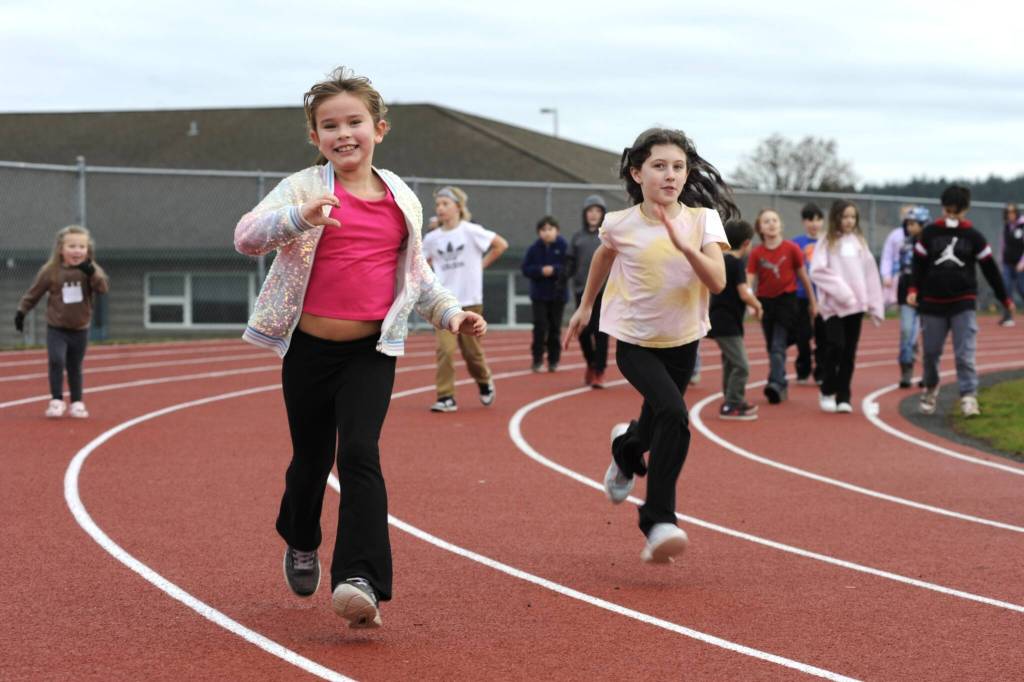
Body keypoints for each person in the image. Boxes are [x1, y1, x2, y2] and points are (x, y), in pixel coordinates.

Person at [233, 67, 486, 629]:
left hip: (371, 352)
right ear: (315, 137)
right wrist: (299, 217)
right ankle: (301, 538)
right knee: (310, 462)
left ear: (380, 128)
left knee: (360, 455)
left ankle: (360, 578)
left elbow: (416, 274)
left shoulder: (402, 199)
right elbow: (247, 236)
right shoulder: (303, 188)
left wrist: (451, 313)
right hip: (308, 350)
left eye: (354, 122)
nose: (343, 133)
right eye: (329, 126)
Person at [564, 127, 734, 564]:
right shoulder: (620, 224)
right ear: (637, 173)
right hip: (636, 340)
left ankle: (625, 449)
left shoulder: (701, 220)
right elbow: (604, 255)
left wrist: (686, 248)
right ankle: (659, 519)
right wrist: (585, 307)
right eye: (659, 166)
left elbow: (717, 280)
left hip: (683, 339)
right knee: (675, 416)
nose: (670, 175)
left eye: (678, 166)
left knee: (657, 420)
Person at [909, 184, 1013, 417]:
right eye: (948, 210)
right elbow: (918, 264)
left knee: (965, 352)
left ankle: (968, 396)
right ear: (942, 208)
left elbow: (990, 269)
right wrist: (914, 288)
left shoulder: (973, 236)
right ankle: (930, 388)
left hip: (962, 301)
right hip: (933, 303)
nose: (951, 216)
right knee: (931, 352)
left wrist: (1004, 298)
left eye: (956, 211)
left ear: (965, 210)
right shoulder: (929, 234)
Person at [422, 186, 507, 412]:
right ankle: (446, 396)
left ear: (458, 207)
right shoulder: (432, 238)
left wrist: (480, 266)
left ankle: (484, 379)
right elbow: (420, 264)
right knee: (445, 349)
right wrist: (431, 278)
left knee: (472, 353)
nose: (440, 208)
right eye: (438, 204)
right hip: (443, 303)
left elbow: (501, 244)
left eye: (445, 204)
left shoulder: (471, 231)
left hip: (470, 300)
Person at [15, 224, 109, 419]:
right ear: (61, 249)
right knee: (57, 361)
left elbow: (102, 288)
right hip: (57, 328)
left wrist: (92, 273)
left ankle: (76, 402)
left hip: (80, 328)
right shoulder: (51, 271)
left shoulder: (90, 270)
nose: (77, 251)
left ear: (88, 250)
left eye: (81, 247)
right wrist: (21, 311)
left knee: (74, 366)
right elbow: (34, 293)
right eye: (72, 246)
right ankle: (56, 400)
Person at [809, 201, 885, 413]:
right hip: (833, 306)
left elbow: (870, 273)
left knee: (849, 353)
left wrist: (874, 304)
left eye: (852, 217)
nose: (849, 221)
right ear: (836, 218)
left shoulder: (860, 242)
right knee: (836, 346)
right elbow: (818, 271)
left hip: (857, 307)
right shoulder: (826, 242)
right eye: (845, 217)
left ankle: (844, 396)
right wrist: (843, 293)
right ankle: (827, 389)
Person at [746, 208, 817, 404]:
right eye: (766, 221)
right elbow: (749, 280)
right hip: (765, 303)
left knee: (777, 346)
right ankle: (781, 381)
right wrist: (751, 303)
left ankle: (775, 383)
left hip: (787, 301)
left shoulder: (792, 248)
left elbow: (804, 277)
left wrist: (813, 302)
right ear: (760, 228)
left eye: (774, 220)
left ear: (780, 225)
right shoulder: (756, 253)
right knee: (772, 347)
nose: (771, 224)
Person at [709, 219, 762, 420]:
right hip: (728, 322)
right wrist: (757, 305)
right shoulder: (737, 263)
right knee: (741, 365)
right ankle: (731, 404)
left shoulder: (721, 260)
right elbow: (744, 293)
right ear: (747, 243)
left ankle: (733, 400)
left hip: (720, 318)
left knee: (730, 363)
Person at [885, 206, 931, 388]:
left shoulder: (932, 245)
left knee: (928, 335)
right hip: (906, 292)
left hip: (927, 294)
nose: (910, 227)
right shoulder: (904, 244)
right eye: (908, 224)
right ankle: (906, 368)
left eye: (914, 224)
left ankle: (928, 373)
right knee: (906, 331)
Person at [567, 194, 610, 387]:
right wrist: (563, 277)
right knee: (583, 331)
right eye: (590, 211)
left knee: (601, 332)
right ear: (585, 214)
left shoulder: (609, 235)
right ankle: (591, 363)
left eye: (597, 211)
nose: (593, 215)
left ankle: (599, 372)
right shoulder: (577, 237)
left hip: (605, 291)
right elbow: (570, 262)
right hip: (581, 290)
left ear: (603, 214)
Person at [522, 215, 569, 372]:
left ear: (557, 231)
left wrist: (554, 270)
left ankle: (554, 360)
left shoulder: (564, 246)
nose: (547, 232)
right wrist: (540, 271)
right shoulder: (534, 249)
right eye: (543, 230)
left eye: (550, 229)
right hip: (539, 296)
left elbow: (568, 267)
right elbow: (526, 268)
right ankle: (537, 360)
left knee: (555, 328)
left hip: (558, 295)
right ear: (538, 232)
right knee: (540, 327)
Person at [790, 203, 826, 385]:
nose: (814, 224)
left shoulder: (827, 242)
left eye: (818, 219)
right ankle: (803, 369)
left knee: (822, 336)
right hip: (801, 295)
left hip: (824, 296)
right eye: (810, 220)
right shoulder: (796, 243)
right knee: (802, 335)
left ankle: (820, 371)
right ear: (804, 222)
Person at [999, 202, 1024, 326]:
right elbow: (1004, 244)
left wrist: (1022, 262)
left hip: (1020, 264)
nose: (1010, 214)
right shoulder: (1007, 226)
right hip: (1007, 263)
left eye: (1013, 212)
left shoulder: (1022, 225)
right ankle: (1007, 316)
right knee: (1006, 288)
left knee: (1022, 289)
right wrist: (1001, 259)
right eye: (1008, 212)